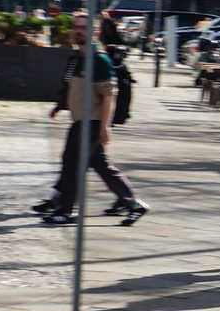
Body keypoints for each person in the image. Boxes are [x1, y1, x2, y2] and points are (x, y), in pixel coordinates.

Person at [35, 32, 145, 225]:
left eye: (83, 27)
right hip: (82, 120)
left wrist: (105, 127)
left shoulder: (99, 59)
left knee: (72, 165)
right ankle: (133, 204)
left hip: (91, 122)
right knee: (101, 165)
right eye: (75, 27)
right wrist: (60, 106)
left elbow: (110, 95)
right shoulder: (81, 58)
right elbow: (75, 89)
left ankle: (66, 211)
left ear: (94, 32)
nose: (78, 31)